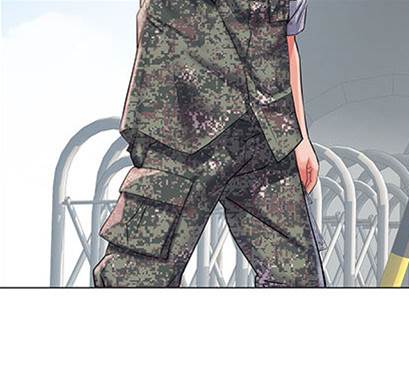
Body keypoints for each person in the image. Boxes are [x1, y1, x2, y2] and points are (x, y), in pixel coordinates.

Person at [94, 0, 325, 287]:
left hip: (266, 136)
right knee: (136, 277)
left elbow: (285, 43)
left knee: (299, 279)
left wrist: (299, 137)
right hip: (181, 133)